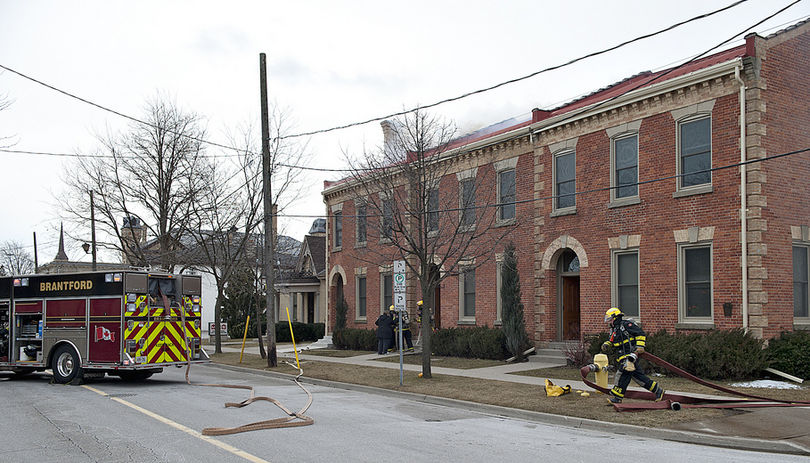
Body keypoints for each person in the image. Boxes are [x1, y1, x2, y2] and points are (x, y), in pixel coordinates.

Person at [601, 307, 665, 404]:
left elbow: (640, 333)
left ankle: (617, 397)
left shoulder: (626, 325)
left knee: (622, 373)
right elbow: (612, 340)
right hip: (621, 356)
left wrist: (639, 347)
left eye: (611, 318)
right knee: (639, 378)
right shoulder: (614, 329)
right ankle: (658, 391)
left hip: (630, 355)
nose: (609, 321)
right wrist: (607, 344)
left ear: (615, 317)